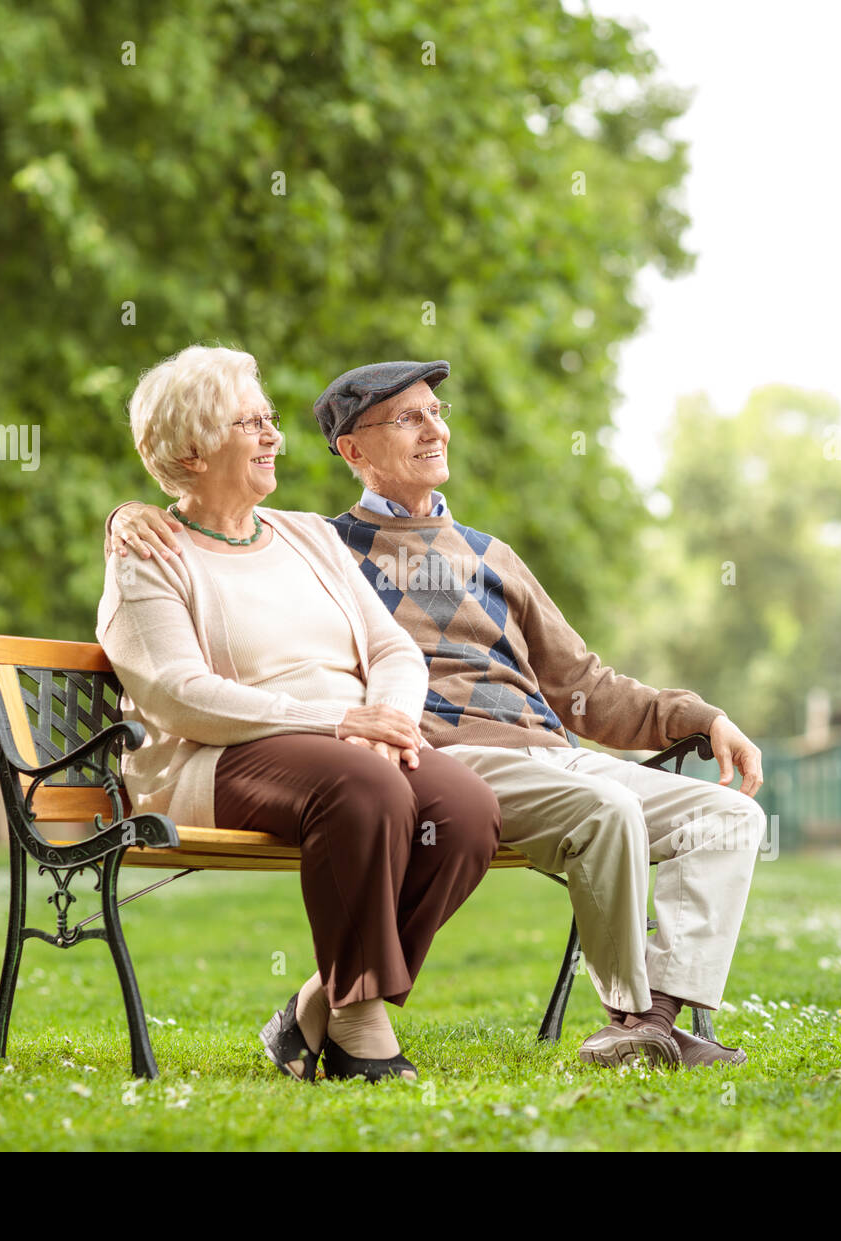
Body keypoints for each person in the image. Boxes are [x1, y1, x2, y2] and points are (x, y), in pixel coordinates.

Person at [106, 359, 766, 1072]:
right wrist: (128, 511)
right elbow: (198, 589)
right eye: (407, 417)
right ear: (353, 452)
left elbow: (583, 683)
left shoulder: (480, 556)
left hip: (532, 752)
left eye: (437, 410)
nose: (435, 427)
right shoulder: (336, 544)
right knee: (591, 808)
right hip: (425, 752)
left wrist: (698, 718)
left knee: (730, 817)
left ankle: (658, 1020)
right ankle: (626, 1019)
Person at [97, 347, 501, 1084]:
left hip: (347, 745)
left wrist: (389, 718)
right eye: (248, 422)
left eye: (268, 419)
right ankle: (357, 1028)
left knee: (468, 808)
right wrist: (338, 723)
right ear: (190, 450)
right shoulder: (148, 554)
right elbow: (180, 694)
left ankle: (322, 996)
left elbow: (394, 649)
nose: (272, 435)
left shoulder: (307, 535)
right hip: (212, 756)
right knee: (364, 788)